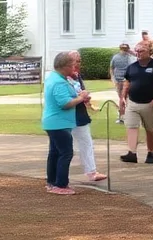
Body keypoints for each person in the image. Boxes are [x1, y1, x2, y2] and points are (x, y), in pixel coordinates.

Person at [42, 50, 91, 195]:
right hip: (59, 123)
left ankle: (52, 182)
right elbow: (65, 103)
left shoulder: (54, 77)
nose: (74, 67)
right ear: (64, 66)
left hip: (53, 122)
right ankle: (61, 185)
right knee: (66, 153)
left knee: (55, 152)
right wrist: (81, 97)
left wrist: (78, 96)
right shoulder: (59, 82)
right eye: (72, 64)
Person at [119, 41, 153, 164]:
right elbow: (127, 83)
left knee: (150, 129)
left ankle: (151, 152)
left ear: (149, 51)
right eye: (137, 51)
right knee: (131, 126)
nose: (138, 53)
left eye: (141, 51)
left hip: (149, 104)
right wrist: (122, 98)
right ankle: (132, 153)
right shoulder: (132, 67)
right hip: (132, 102)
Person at [69, 52, 107, 183]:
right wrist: (81, 97)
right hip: (66, 116)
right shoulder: (62, 78)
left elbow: (81, 92)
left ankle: (91, 171)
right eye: (75, 61)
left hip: (80, 114)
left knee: (87, 143)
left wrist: (87, 100)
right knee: (65, 147)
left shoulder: (77, 76)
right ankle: (57, 174)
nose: (78, 64)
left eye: (79, 61)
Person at [110, 43, 133, 124]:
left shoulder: (116, 57)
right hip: (123, 80)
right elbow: (131, 68)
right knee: (125, 98)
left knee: (122, 98)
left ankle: (122, 116)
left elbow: (112, 68)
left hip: (121, 80)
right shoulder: (128, 57)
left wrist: (113, 79)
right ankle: (124, 116)